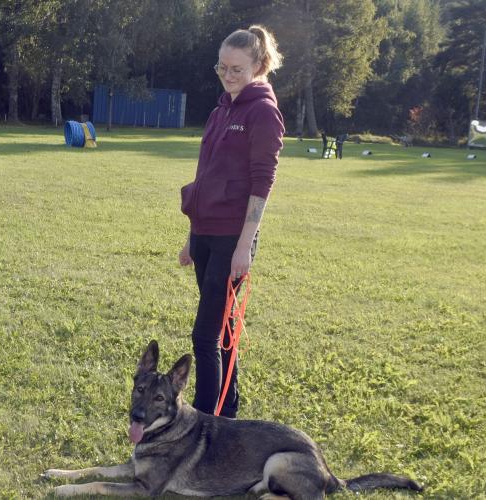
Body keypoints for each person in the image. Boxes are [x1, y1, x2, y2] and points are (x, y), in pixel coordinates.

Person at [179, 25, 284, 418]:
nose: (228, 75)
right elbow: (206, 173)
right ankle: (227, 411)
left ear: (258, 65)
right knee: (221, 331)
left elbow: (263, 182)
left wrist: (245, 245)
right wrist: (192, 236)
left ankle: (204, 422)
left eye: (237, 68)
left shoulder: (263, 111)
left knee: (204, 335)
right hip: (205, 232)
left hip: (231, 239)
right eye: (222, 67)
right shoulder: (222, 108)